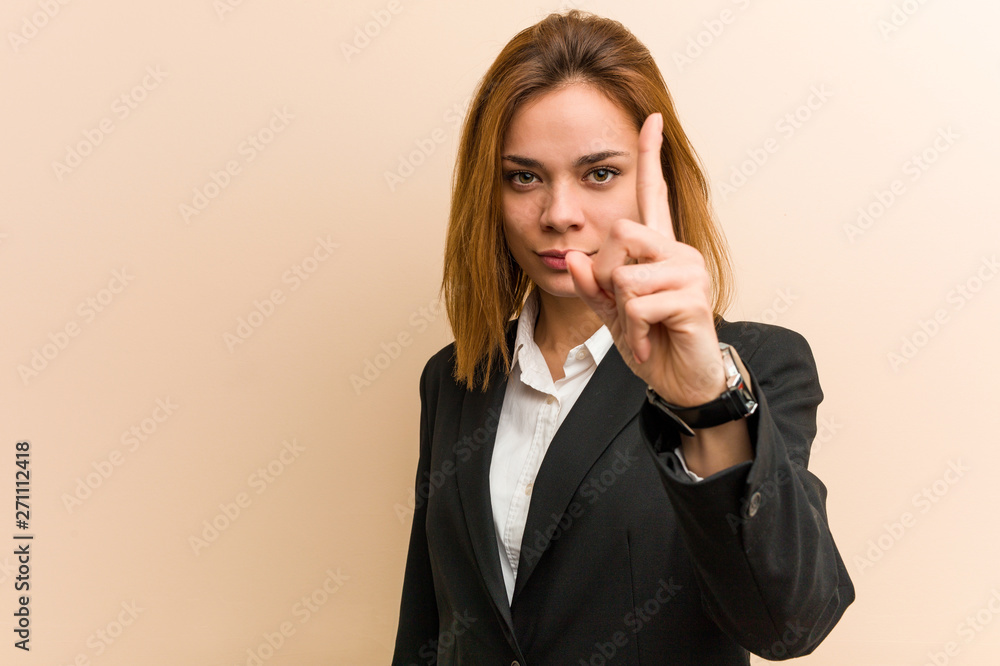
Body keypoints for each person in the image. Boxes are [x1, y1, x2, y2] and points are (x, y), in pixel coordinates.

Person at [392, 9, 854, 664]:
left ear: (655, 182)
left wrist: (704, 400)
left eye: (599, 173)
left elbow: (789, 624)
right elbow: (429, 622)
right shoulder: (453, 377)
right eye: (524, 176)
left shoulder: (754, 366)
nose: (559, 214)